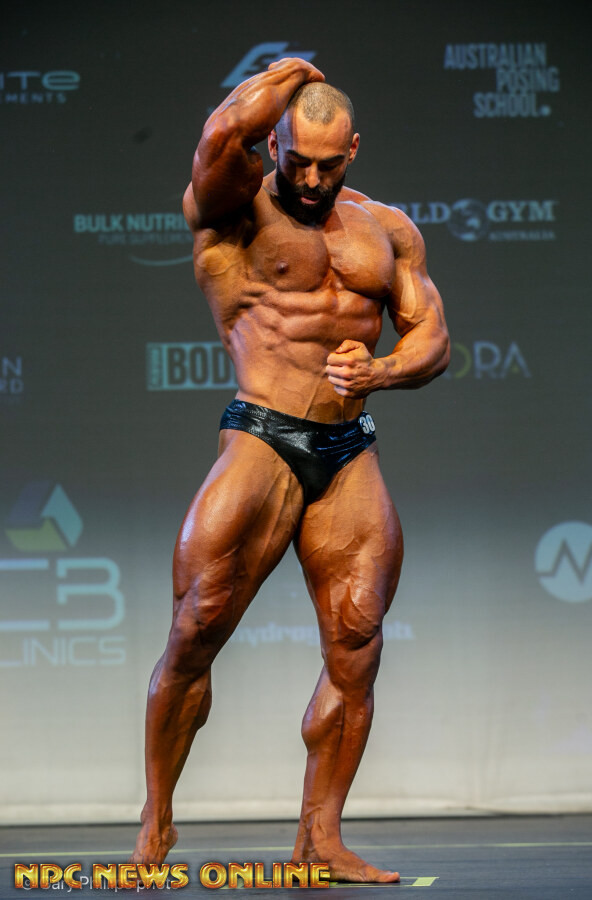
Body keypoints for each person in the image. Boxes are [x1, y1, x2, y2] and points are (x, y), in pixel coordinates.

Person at [131, 57, 449, 883]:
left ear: (353, 151)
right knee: (196, 629)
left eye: (328, 164)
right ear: (275, 144)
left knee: (358, 641)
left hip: (348, 449)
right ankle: (156, 823)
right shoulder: (230, 209)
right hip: (264, 436)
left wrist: (382, 371)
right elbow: (220, 135)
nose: (310, 179)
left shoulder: (387, 229)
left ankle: (320, 839)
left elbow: (432, 338)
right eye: (296, 159)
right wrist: (290, 71)